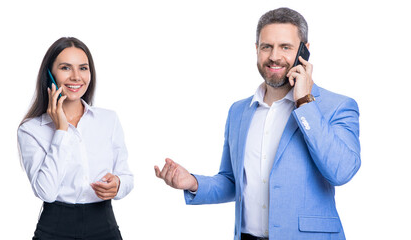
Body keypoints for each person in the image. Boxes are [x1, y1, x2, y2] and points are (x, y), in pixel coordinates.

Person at [154, 7, 360, 240]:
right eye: (266, 47)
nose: (274, 56)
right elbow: (232, 182)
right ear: (256, 50)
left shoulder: (337, 106)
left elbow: (341, 172)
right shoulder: (238, 112)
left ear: (305, 51)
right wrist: (192, 182)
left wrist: (304, 102)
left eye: (285, 47)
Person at [18, 37, 133, 240]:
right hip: (54, 229)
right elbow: (47, 192)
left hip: (104, 226)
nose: (76, 77)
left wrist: (117, 185)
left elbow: (126, 177)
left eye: (83, 68)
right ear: (49, 74)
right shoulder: (31, 130)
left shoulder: (108, 120)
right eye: (65, 68)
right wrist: (61, 129)